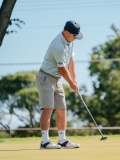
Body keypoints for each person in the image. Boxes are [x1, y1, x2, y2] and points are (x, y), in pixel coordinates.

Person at [36, 20, 83, 149]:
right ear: (66, 32)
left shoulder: (70, 41)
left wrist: (75, 80)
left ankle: (62, 139)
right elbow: (62, 69)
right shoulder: (58, 46)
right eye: (74, 35)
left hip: (57, 79)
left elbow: (71, 61)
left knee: (62, 108)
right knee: (48, 108)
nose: (75, 38)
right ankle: (45, 141)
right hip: (46, 77)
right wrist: (71, 84)